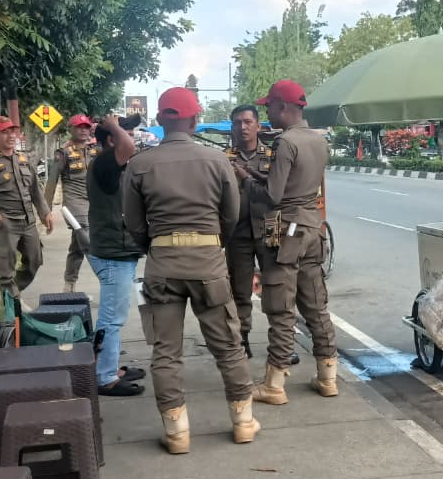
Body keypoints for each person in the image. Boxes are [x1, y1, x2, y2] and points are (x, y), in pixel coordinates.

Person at [121, 88, 260, 454]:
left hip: (162, 265)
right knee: (228, 346)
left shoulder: (139, 164)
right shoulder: (217, 161)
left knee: (166, 351)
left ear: (162, 120)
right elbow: (231, 215)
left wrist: (154, 246)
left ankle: (177, 431)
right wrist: (213, 244)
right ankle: (243, 422)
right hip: (208, 262)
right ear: (195, 120)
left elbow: (133, 223)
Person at [248, 79, 336, 405]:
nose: (267, 112)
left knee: (281, 308)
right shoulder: (318, 140)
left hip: (286, 232)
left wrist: (247, 182)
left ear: (283, 107)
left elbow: (273, 195)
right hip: (313, 227)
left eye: (269, 106)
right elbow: (297, 185)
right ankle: (328, 376)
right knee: (315, 304)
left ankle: (274, 384)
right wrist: (256, 174)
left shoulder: (285, 143)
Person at [225, 103, 298, 363]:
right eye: (237, 123)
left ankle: (282, 346)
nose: (242, 127)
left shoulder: (273, 155)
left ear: (258, 125)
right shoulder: (224, 159)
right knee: (239, 290)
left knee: (276, 288)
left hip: (270, 227)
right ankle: (240, 343)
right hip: (238, 232)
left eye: (247, 122)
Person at [86, 116, 145, 397]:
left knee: (114, 317)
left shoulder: (112, 165)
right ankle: (104, 377)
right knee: (111, 319)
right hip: (113, 254)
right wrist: (111, 123)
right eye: (125, 132)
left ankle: (110, 367)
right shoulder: (105, 162)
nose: (131, 137)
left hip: (118, 251)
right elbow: (129, 146)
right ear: (112, 139)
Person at [0, 115, 54, 298]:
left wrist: (45, 212)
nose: (10, 136)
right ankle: (12, 306)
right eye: (4, 132)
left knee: (35, 261)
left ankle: (13, 292)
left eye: (12, 131)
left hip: (28, 221)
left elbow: (35, 189)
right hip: (6, 223)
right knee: (6, 268)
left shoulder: (23, 159)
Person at [45, 114, 101, 292]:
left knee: (77, 246)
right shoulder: (63, 153)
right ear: (71, 129)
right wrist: (46, 211)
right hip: (74, 203)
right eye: (79, 127)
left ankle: (69, 285)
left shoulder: (95, 150)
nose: (84, 130)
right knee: (87, 238)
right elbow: (52, 181)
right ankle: (107, 278)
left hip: (93, 203)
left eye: (86, 127)